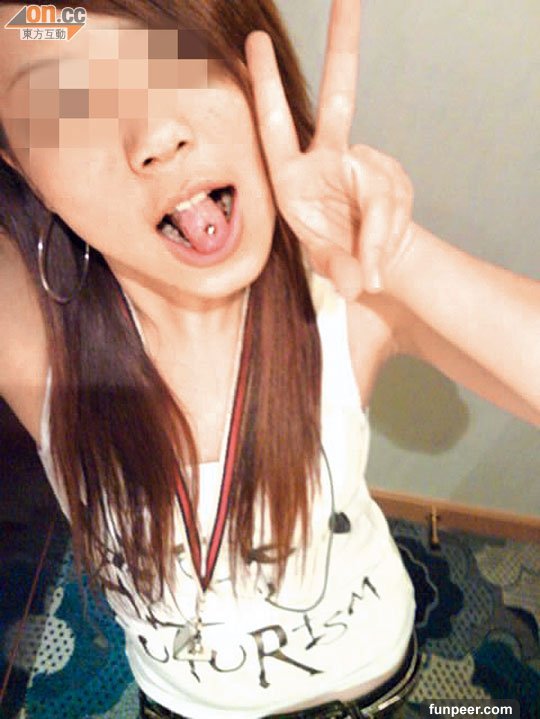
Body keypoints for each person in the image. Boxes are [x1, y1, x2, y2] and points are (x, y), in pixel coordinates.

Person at [0, 0, 538, 717]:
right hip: (181, 701)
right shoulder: (27, 325)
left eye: (178, 56)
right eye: (64, 102)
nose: (155, 135)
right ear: (19, 164)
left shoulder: (347, 301)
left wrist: (407, 259)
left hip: (373, 680)